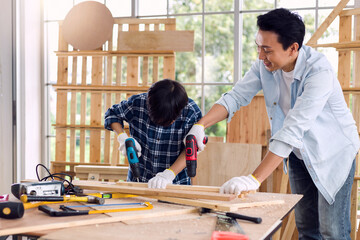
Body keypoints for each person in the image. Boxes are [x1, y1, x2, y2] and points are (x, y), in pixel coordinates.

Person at [186, 8, 360, 240]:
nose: (260, 56)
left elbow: (292, 129)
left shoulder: (319, 72)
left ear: (293, 48)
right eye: (258, 47)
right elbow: (236, 97)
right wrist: (201, 125)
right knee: (307, 229)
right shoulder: (265, 66)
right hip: (298, 153)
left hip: (333, 154)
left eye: (267, 50)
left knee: (332, 232)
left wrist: (253, 179)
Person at [104, 79, 202, 188]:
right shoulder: (138, 103)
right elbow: (112, 114)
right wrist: (122, 137)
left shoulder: (190, 112)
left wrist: (169, 175)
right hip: (139, 181)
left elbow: (192, 149)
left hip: (176, 184)